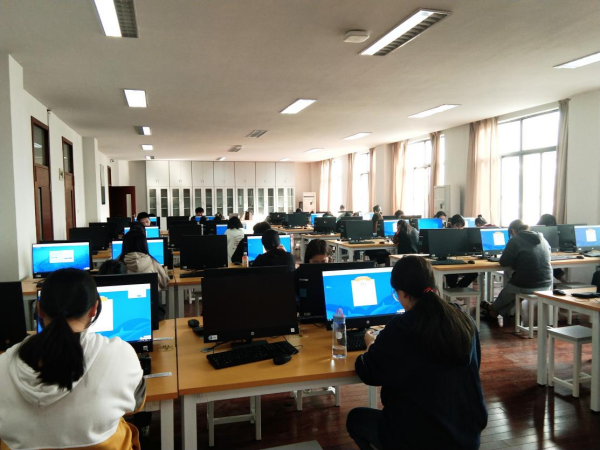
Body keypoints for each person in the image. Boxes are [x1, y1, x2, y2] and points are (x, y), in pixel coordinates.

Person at [346, 256, 487, 450]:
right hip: (466, 435)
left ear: (403, 294)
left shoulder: (401, 329)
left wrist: (371, 345)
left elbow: (367, 372)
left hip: (419, 438)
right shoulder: (463, 319)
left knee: (356, 418)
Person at [0, 269, 145, 449]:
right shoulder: (120, 354)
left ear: (39, 310)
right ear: (94, 309)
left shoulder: (3, 364)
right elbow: (136, 405)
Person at [481, 220, 553, 320]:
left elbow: (504, 262)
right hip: (547, 284)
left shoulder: (515, 240)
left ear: (513, 231)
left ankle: (492, 308)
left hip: (527, 284)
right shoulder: (542, 238)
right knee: (515, 295)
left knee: (508, 293)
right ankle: (493, 312)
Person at [445, 214, 478, 288]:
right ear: (451, 225)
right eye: (457, 226)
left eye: (462, 226)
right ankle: (454, 289)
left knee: (474, 274)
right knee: (452, 275)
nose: (459, 228)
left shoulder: (464, 236)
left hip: (462, 261)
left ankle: (458, 288)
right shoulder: (445, 235)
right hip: (450, 263)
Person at [537, 214, 566, 283]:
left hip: (542, 255)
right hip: (542, 257)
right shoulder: (547, 231)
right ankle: (564, 282)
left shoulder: (536, 231)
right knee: (550, 263)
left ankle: (564, 282)